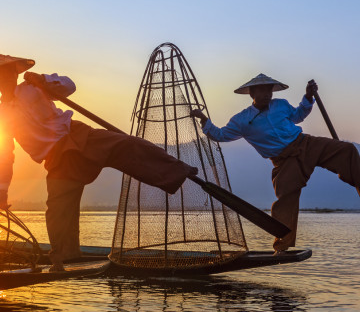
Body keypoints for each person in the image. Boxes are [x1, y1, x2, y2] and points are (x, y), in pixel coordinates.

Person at [0, 54, 198, 270]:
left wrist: (44, 80)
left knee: (128, 145)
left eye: (9, 74)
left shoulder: (31, 88)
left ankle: (179, 171)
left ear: (15, 75)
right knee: (58, 210)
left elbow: (69, 86)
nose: (6, 79)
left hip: (78, 136)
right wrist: (2, 192)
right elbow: (5, 156)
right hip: (58, 158)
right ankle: (64, 258)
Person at [191, 73, 360, 252]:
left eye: (269, 90)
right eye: (262, 90)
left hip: (306, 144)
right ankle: (282, 247)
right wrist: (204, 120)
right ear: (252, 94)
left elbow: (298, 115)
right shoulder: (242, 120)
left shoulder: (281, 105)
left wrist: (309, 96)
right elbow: (220, 135)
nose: (267, 94)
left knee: (347, 151)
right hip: (285, 161)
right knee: (286, 199)